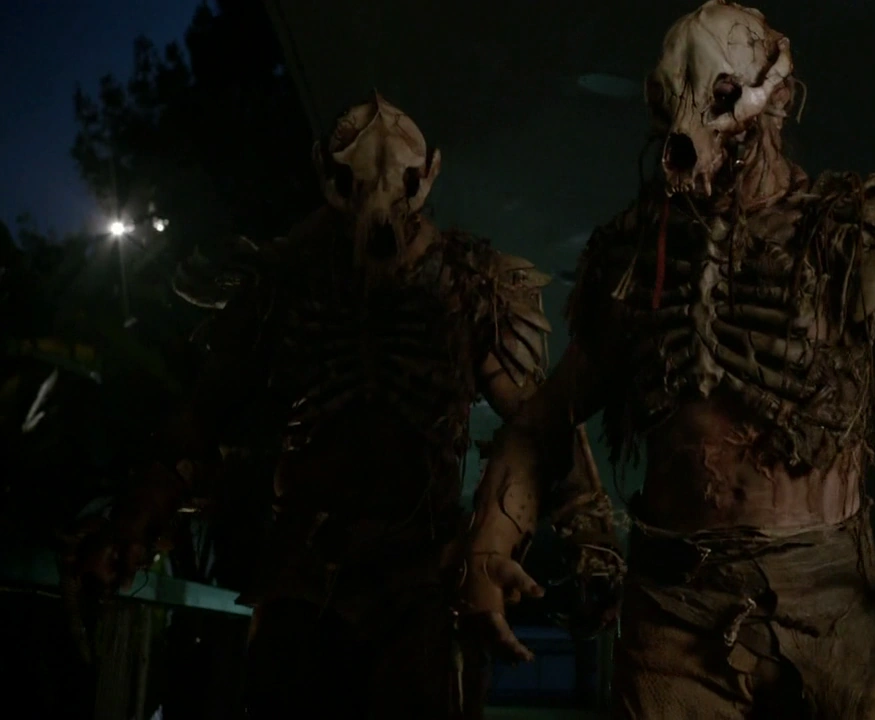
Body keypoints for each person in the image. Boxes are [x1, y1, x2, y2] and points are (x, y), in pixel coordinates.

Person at [459, 2, 875, 718]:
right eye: (670, 105)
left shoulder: (850, 236)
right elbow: (540, 422)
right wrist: (490, 550)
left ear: (781, 96)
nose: (688, 133)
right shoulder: (634, 260)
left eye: (722, 98)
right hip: (674, 612)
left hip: (833, 608)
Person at [71, 93, 604, 719]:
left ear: (427, 175)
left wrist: (591, 538)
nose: (378, 199)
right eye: (356, 180)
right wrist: (132, 524)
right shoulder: (282, 283)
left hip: (418, 579)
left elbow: (538, 423)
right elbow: (201, 417)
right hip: (302, 571)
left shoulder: (471, 286)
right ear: (327, 175)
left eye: (401, 180)